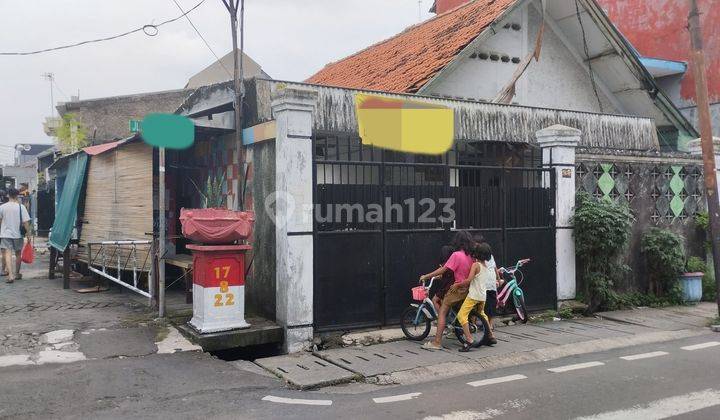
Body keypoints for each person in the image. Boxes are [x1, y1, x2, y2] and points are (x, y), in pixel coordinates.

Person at [419, 231, 474, 350]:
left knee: (442, 312)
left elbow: (443, 270)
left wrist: (426, 276)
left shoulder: (456, 255)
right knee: (458, 310)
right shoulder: (471, 256)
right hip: (468, 289)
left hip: (457, 289)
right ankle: (456, 331)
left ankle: (437, 342)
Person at [456, 242, 496, 351]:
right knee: (482, 314)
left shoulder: (475, 265)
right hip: (482, 296)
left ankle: (469, 339)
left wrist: (457, 284)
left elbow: (469, 280)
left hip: (473, 296)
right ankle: (490, 335)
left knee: (461, 315)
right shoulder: (485, 266)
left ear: (477, 253)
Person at [0, 188, 31, 283]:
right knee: (18, 254)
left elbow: (0, 221)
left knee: (7, 253)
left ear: (8, 195)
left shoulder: (2, 207)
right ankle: (17, 273)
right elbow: (26, 222)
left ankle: (10, 275)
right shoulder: (21, 207)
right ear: (17, 195)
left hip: (5, 234)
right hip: (18, 234)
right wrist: (28, 234)